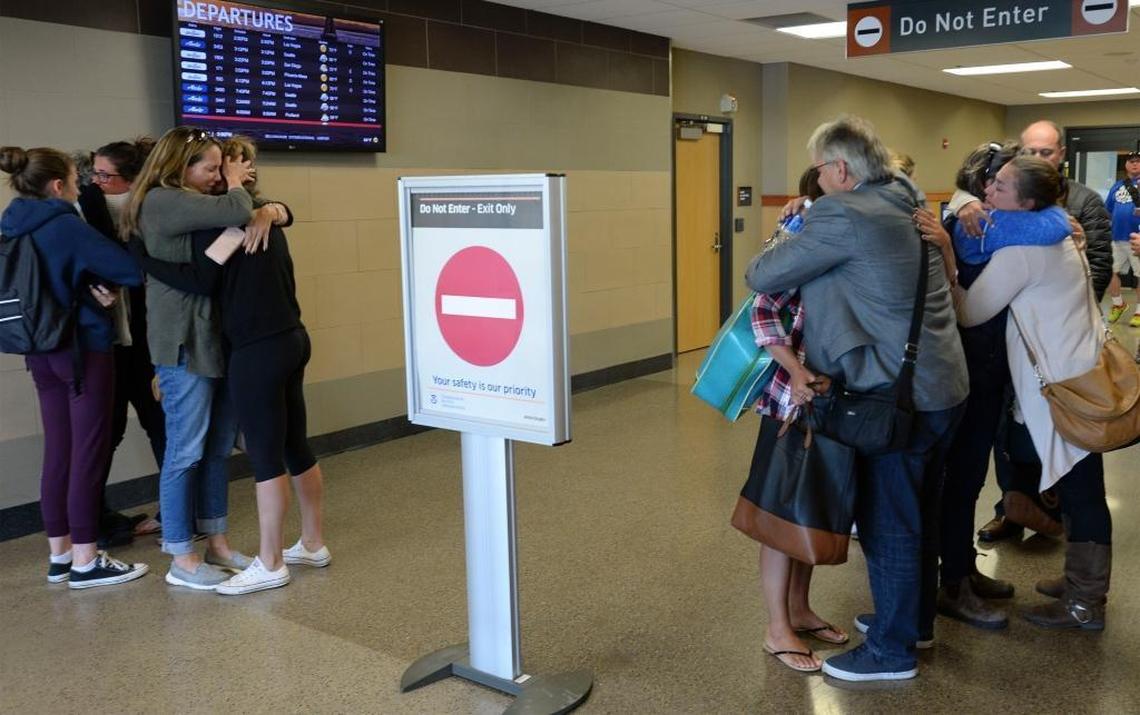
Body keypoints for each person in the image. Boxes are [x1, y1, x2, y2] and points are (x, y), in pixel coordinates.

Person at [746, 115, 968, 682]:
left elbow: (760, 274)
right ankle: (912, 621)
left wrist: (794, 225)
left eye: (821, 170)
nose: (818, 180)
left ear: (840, 169)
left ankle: (891, 652)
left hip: (896, 398)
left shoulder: (840, 211)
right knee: (921, 509)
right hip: (944, 386)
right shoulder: (906, 197)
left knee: (888, 522)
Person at [130, 136, 326, 595]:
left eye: (227, 169)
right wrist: (271, 209)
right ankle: (311, 543)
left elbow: (199, 279)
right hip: (289, 339)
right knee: (292, 445)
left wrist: (140, 259)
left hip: (256, 350)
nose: (219, 177)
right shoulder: (255, 219)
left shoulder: (234, 226)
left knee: (263, 457)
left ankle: (271, 561)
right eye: (214, 168)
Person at [914, 141, 1075, 632]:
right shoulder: (965, 224)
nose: (990, 188)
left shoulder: (995, 223)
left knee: (967, 480)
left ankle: (961, 571)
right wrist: (951, 231)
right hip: (963, 368)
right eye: (990, 180)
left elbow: (1054, 221)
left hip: (988, 370)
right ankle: (953, 584)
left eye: (1000, 183)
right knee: (958, 480)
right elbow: (957, 298)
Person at [954, 155, 1112, 630]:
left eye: (1000, 188)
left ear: (1026, 202)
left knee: (1083, 492)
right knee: (1083, 487)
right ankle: (1082, 584)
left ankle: (1085, 602)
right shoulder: (1059, 233)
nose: (988, 192)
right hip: (1081, 375)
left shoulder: (1021, 251)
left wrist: (945, 254)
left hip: (1063, 388)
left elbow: (969, 313)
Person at [120, 126, 269, 591]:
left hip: (212, 340)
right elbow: (236, 208)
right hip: (184, 343)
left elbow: (238, 224)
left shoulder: (189, 203)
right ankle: (181, 556)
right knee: (185, 450)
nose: (215, 176)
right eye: (209, 168)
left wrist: (275, 210)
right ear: (178, 168)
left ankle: (217, 543)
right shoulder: (164, 200)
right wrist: (238, 184)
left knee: (217, 448)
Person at [0, 145, 148, 588]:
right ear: (59, 185)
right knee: (89, 451)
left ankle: (61, 554)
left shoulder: (11, 224)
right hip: (81, 351)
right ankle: (88, 558)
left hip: (39, 350)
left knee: (59, 453)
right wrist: (96, 288)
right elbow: (128, 269)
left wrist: (84, 285)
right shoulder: (63, 224)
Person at [735, 166, 846, 673]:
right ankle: (776, 627)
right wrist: (796, 370)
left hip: (828, 398)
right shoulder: (802, 236)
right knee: (780, 516)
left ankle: (799, 609)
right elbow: (763, 310)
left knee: (808, 509)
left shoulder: (849, 235)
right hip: (790, 396)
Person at [84, 138, 168, 544]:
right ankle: (95, 519)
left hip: (148, 341)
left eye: (105, 175)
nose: (96, 181)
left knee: (161, 424)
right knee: (106, 430)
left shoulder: (153, 211)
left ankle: (176, 511)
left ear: (131, 179)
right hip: (109, 344)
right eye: (93, 173)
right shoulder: (85, 211)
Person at [1103, 148, 1140, 326]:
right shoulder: (1118, 185)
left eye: (1138, 161)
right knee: (1109, 271)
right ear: (1126, 165)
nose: (1134, 163)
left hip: (1137, 240)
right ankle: (1118, 304)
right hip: (1117, 238)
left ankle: (1139, 312)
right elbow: (1108, 210)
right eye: (1131, 161)